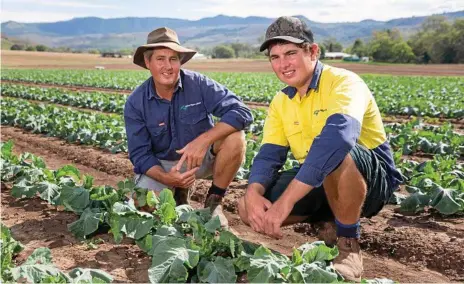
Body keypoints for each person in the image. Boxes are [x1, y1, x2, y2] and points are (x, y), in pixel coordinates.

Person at [237, 16, 403, 281]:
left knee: (336, 153)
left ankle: (349, 244)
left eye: (291, 53)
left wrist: (285, 204)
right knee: (247, 207)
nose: (283, 64)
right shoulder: (281, 100)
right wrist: (254, 192)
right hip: (318, 179)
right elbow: (269, 155)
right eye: (275, 57)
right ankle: (326, 222)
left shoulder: (344, 82)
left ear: (313, 51)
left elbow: (338, 139)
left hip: (370, 182)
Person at [124, 27, 253, 227]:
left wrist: (203, 141)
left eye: (173, 59)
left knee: (235, 137)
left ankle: (213, 203)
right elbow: (140, 154)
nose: (168, 66)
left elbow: (242, 112)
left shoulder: (198, 84)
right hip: (164, 165)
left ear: (180, 62)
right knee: (144, 205)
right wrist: (167, 177)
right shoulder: (136, 102)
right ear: (148, 63)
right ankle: (178, 192)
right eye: (160, 59)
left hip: (200, 159)